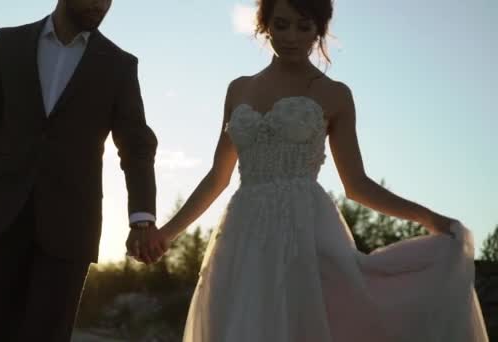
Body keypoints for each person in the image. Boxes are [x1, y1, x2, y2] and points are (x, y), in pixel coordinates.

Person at [154, 0, 489, 340]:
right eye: (281, 25)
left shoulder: (335, 95)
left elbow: (357, 185)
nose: (292, 37)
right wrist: (166, 233)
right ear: (264, 23)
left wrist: (429, 219)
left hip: (304, 233)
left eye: (304, 26)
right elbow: (217, 177)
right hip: (242, 238)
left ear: (319, 29)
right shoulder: (238, 88)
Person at [0, 0, 166, 340]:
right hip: (0, 216)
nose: (101, 4)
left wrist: (142, 218)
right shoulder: (7, 43)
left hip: (71, 225)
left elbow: (137, 146)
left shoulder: (119, 65)